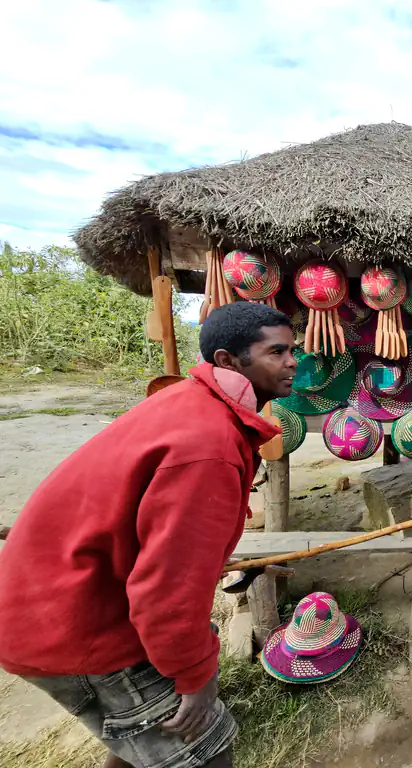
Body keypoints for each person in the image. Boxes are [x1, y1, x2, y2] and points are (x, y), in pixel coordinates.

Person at [0, 302, 296, 767]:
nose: (292, 362)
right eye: (276, 352)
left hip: (50, 601)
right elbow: (166, 586)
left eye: (292, 350)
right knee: (204, 749)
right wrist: (196, 676)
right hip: (79, 622)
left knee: (139, 743)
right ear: (226, 361)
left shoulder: (189, 403)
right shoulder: (208, 446)